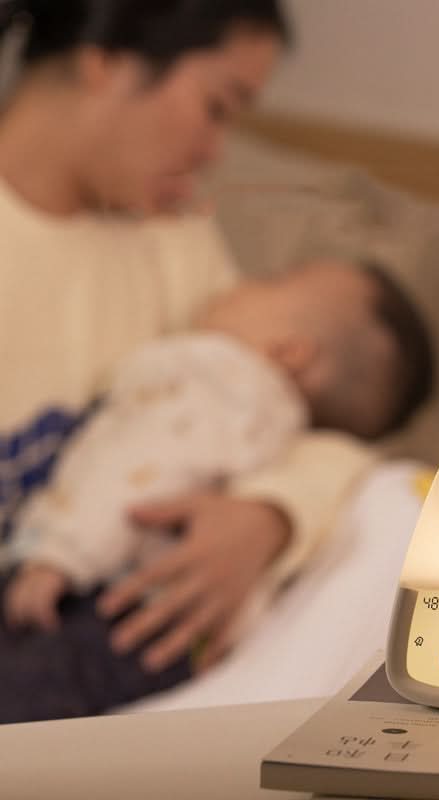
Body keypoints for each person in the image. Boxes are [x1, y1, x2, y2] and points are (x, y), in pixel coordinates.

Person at [0, 0, 395, 715]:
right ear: (105, 61)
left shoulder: (171, 243)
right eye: (218, 106)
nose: (217, 150)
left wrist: (268, 519)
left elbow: (294, 413)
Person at [0, 258, 434, 722]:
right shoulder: (263, 420)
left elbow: (134, 470)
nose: (241, 281)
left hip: (110, 599)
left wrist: (60, 555)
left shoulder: (224, 378)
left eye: (273, 279)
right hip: (160, 634)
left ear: (291, 352)